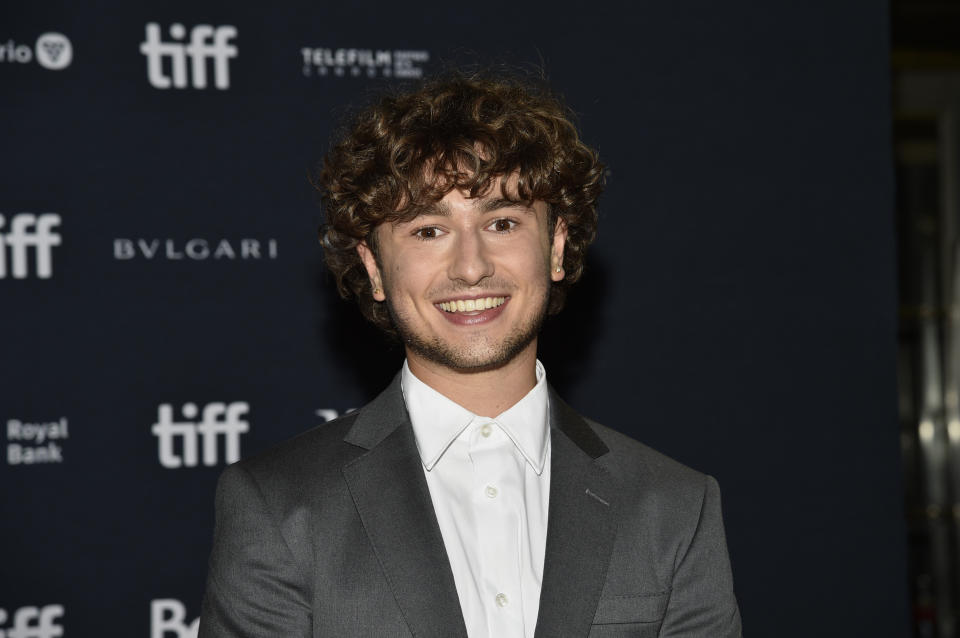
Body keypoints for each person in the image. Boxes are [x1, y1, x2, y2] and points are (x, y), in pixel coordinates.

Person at [199, 71, 742, 637]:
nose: (470, 266)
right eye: (428, 231)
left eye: (502, 222)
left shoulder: (673, 505)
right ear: (373, 268)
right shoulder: (278, 504)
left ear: (555, 248)